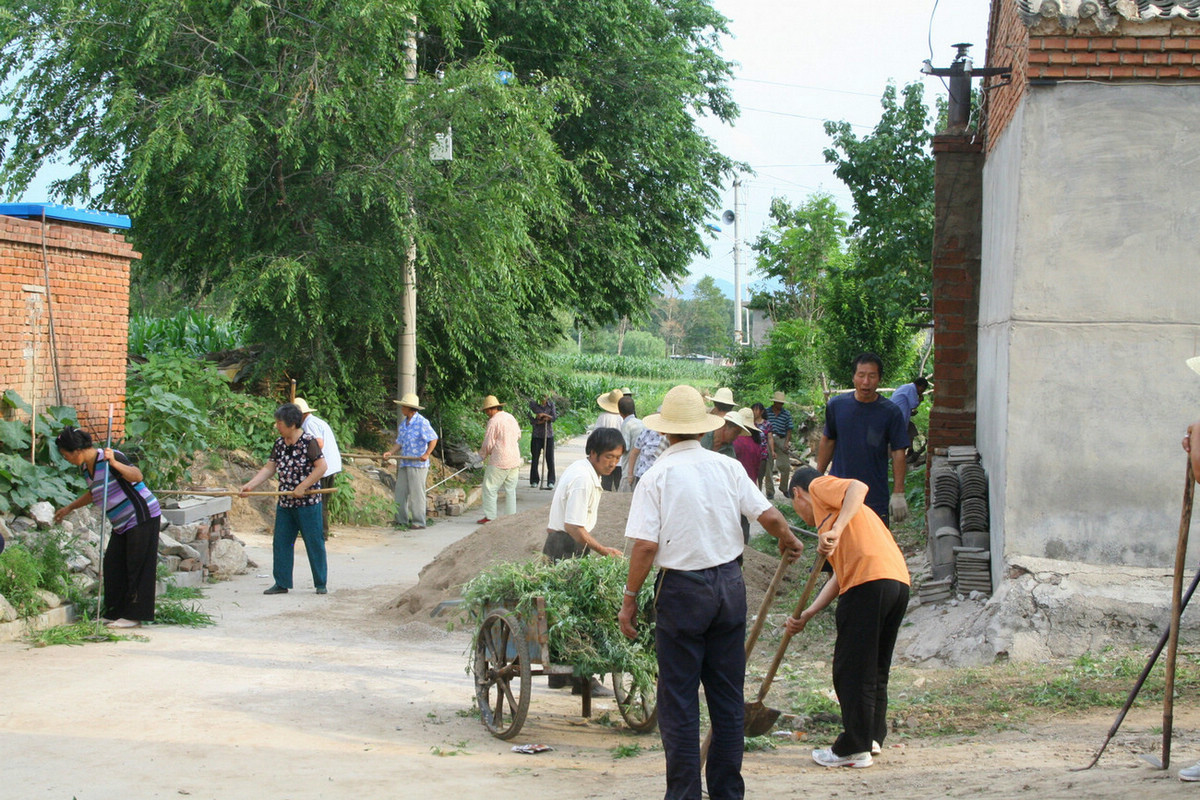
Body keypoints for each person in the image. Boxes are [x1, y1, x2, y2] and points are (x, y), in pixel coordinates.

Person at [619, 385, 804, 800]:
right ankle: (726, 793)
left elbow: (646, 547)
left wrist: (629, 599)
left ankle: (684, 794)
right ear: (703, 429)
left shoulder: (657, 475)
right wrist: (789, 539)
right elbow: (769, 515)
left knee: (680, 700)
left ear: (665, 433)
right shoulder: (727, 468)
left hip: (683, 592)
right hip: (729, 587)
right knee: (726, 698)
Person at [785, 466, 910, 770]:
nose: (800, 514)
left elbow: (858, 486)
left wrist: (837, 528)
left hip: (869, 584)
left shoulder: (819, 490)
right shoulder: (839, 519)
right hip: (894, 581)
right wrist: (809, 613)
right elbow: (840, 576)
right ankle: (870, 736)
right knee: (874, 666)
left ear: (798, 494)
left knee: (851, 668)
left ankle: (853, 748)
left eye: (794, 506)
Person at [54, 426, 162, 628]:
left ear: (76, 450)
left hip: (141, 515)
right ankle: (114, 613)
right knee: (113, 565)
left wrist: (114, 463)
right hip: (121, 522)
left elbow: (137, 476)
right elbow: (95, 492)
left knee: (136, 565)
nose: (65, 458)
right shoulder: (87, 468)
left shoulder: (110, 457)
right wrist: (69, 508)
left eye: (65, 454)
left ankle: (134, 615)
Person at [241, 403, 328, 595]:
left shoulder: (308, 442)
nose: (277, 426)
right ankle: (281, 582)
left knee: (314, 542)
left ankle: (320, 583)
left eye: (279, 423)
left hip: (308, 504)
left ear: (292, 424)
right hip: (286, 503)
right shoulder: (280, 444)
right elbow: (270, 467)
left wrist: (303, 487)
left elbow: (321, 467)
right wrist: (251, 485)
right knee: (282, 542)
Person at [817, 353, 910, 526]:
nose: (866, 382)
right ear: (853, 377)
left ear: (879, 379)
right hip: (839, 491)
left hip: (873, 494)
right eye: (861, 375)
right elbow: (828, 440)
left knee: (873, 549)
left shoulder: (890, 412)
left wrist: (899, 493)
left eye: (872, 376)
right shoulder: (837, 406)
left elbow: (898, 452)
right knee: (837, 544)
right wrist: (816, 477)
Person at [543, 427, 625, 561]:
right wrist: (604, 550)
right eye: (608, 457)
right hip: (564, 547)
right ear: (593, 453)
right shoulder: (583, 479)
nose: (613, 464)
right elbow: (573, 527)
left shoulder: (585, 469)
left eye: (617, 458)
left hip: (569, 542)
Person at [384, 392, 439, 529]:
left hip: (418, 464)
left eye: (403, 407)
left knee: (416, 493)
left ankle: (418, 522)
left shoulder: (422, 422)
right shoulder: (403, 425)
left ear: (409, 408)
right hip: (405, 462)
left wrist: (426, 454)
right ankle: (401, 520)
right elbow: (400, 442)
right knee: (400, 492)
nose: (401, 409)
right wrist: (391, 452)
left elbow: (433, 438)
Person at [294, 397, 342, 538]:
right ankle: (321, 531)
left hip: (324, 468)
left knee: (318, 501)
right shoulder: (315, 422)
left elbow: (318, 443)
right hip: (330, 466)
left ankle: (321, 532)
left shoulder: (309, 424)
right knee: (322, 502)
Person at [478, 395, 521, 524]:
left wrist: (481, 456)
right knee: (510, 489)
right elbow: (519, 435)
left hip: (500, 459)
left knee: (489, 487)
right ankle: (510, 517)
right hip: (514, 458)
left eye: (486, 410)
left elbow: (488, 443)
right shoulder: (510, 417)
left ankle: (490, 517)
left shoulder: (494, 421)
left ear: (492, 409)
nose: (486, 413)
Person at [764, 391, 794, 499]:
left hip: (781, 438)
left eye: (782, 403)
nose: (780, 405)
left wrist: (786, 443)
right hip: (768, 439)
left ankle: (784, 487)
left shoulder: (786, 414)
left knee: (785, 466)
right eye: (778, 403)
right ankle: (770, 491)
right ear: (774, 402)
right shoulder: (766, 412)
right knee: (768, 466)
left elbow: (789, 429)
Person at [595, 389, 624, 490]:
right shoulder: (622, 419)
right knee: (618, 484)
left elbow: (596, 435)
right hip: (619, 459)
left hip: (605, 456)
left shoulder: (602, 417)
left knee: (606, 484)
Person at [890, 376, 929, 450]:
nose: (922, 392)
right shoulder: (912, 389)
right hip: (898, 417)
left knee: (911, 428)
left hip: (896, 414)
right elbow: (913, 404)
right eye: (923, 390)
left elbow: (905, 405)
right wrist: (920, 400)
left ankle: (910, 449)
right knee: (899, 436)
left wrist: (910, 413)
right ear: (921, 386)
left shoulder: (907, 387)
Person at [626, 420, 667, 490]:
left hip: (663, 479)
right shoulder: (647, 431)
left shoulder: (673, 435)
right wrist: (630, 474)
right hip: (643, 476)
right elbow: (634, 453)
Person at [528, 394, 557, 489]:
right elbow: (531, 419)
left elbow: (554, 417)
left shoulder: (551, 404)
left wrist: (545, 415)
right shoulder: (533, 404)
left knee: (550, 459)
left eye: (545, 397)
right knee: (535, 458)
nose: (543, 399)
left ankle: (551, 481)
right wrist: (539, 421)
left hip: (548, 436)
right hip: (537, 435)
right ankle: (534, 480)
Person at [618, 395, 645, 492]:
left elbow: (625, 447)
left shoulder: (627, 425)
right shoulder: (642, 423)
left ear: (620, 412)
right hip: (641, 469)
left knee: (624, 499)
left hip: (629, 471)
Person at [751, 402, 774, 494]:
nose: (754, 412)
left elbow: (770, 438)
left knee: (760, 474)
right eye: (753, 410)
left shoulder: (767, 424)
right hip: (751, 452)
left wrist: (772, 451)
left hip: (763, 452)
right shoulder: (750, 423)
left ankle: (758, 492)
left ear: (762, 411)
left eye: (756, 410)